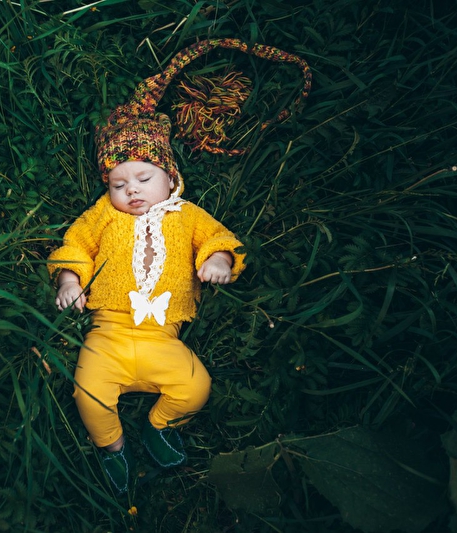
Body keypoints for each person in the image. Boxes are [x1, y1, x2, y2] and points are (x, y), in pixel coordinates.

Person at [47, 39, 311, 493]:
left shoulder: (186, 214)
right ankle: (112, 446)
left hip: (163, 337)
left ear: (170, 177)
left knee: (196, 387)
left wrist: (219, 259)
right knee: (87, 393)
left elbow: (218, 237)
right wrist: (70, 279)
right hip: (107, 333)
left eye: (143, 177)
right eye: (117, 184)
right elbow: (76, 243)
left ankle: (159, 424)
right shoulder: (104, 214)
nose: (131, 190)